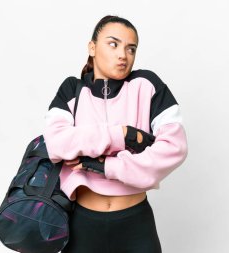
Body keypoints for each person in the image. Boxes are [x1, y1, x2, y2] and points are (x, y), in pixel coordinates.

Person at [43, 15, 188, 253]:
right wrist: (123, 134)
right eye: (113, 44)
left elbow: (175, 147)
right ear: (92, 47)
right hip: (82, 225)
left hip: (136, 224)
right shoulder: (71, 90)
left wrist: (103, 165)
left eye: (131, 48)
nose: (123, 54)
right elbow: (57, 143)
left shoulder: (147, 85)